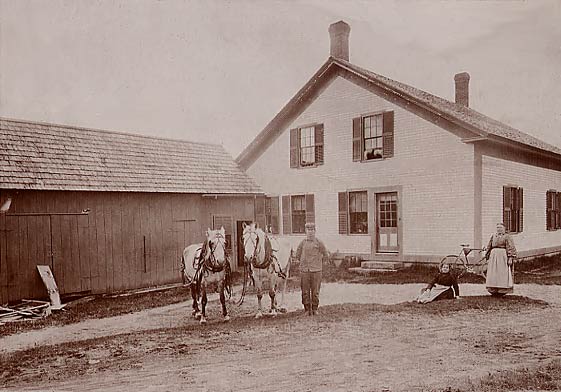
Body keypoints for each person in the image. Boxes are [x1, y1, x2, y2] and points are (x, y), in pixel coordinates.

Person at [295, 222, 329, 316]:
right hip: (305, 270)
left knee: (315, 291)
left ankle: (314, 309)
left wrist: (319, 263)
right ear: (306, 231)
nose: (310, 232)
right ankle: (306, 310)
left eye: (312, 230)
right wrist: (303, 263)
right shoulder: (302, 243)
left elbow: (325, 254)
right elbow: (297, 255)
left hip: (316, 271)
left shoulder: (319, 242)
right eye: (308, 230)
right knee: (305, 291)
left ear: (315, 231)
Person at [485, 222, 516, 296]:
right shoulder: (493, 236)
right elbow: (489, 246)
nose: (499, 229)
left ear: (504, 229)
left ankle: (502, 290)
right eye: (498, 228)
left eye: (501, 228)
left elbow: (510, 247)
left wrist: (510, 258)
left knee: (502, 273)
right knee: (493, 273)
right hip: (493, 256)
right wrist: (487, 255)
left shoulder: (507, 237)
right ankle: (493, 289)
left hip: (502, 256)